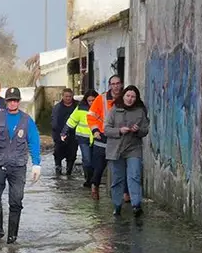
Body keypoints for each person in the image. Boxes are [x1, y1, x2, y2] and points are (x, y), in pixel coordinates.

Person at [0, 87, 41, 243]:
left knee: (16, 201)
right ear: (6, 101)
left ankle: (12, 236)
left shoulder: (27, 120)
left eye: (15, 100)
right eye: (10, 100)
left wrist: (36, 164)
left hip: (18, 167)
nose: (13, 103)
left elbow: (34, 142)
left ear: (19, 102)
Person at [103, 85, 149, 217]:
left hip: (133, 147)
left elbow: (145, 130)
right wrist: (119, 130)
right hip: (116, 149)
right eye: (128, 96)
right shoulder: (114, 110)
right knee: (117, 178)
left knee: (134, 176)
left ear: (136, 98)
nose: (130, 99)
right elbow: (106, 129)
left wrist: (138, 130)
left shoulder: (140, 111)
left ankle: (136, 205)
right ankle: (117, 206)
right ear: (123, 96)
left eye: (133, 97)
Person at [85, 75, 123, 200]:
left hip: (119, 137)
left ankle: (124, 193)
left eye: (118, 83)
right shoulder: (101, 99)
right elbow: (91, 115)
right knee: (100, 167)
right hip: (102, 137)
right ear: (109, 85)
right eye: (113, 84)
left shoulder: (126, 98)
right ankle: (95, 185)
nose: (116, 86)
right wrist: (95, 131)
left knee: (121, 166)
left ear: (121, 84)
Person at [61, 89, 98, 188]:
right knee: (87, 160)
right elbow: (72, 120)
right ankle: (89, 180)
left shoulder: (100, 108)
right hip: (83, 139)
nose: (91, 103)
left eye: (93, 100)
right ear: (86, 100)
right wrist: (64, 132)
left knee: (95, 161)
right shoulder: (81, 108)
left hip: (97, 138)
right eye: (89, 100)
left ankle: (94, 180)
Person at [50, 88, 78, 176]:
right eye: (66, 96)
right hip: (59, 136)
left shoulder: (77, 106)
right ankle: (58, 175)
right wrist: (57, 136)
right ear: (62, 96)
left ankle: (69, 174)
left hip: (73, 136)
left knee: (72, 157)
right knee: (58, 156)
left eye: (70, 96)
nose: (68, 98)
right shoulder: (57, 107)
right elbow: (54, 122)